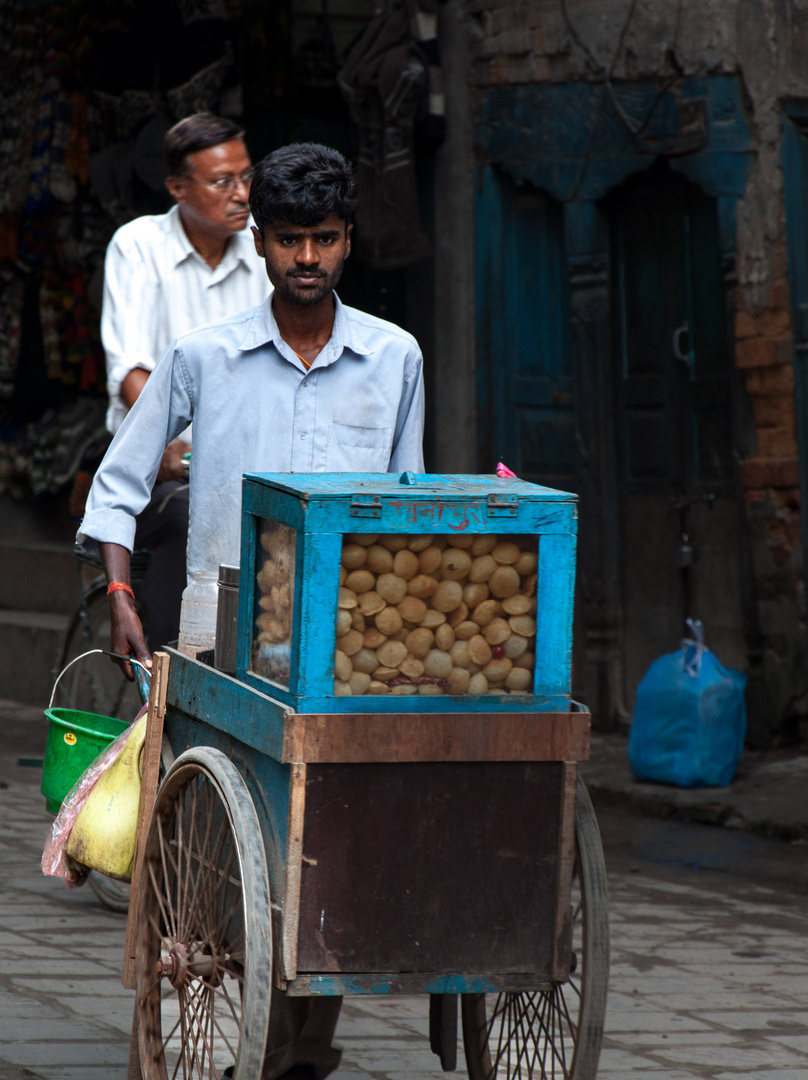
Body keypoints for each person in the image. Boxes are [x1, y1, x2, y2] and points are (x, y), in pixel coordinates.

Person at [78, 142, 425, 1078]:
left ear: (347, 241)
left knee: (340, 839)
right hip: (220, 634)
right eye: (287, 240)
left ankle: (308, 1036)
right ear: (260, 245)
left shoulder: (395, 359)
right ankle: (264, 1016)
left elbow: (405, 511)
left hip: (347, 646)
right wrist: (119, 593)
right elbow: (118, 485)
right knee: (235, 853)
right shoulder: (205, 359)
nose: (305, 258)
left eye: (323, 238)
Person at [98, 112, 272, 650]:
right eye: (223, 182)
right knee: (188, 517)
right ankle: (174, 668)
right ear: (176, 188)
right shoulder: (139, 245)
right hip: (164, 468)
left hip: (249, 465)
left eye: (248, 177)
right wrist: (163, 443)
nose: (242, 194)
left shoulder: (264, 249)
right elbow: (130, 369)